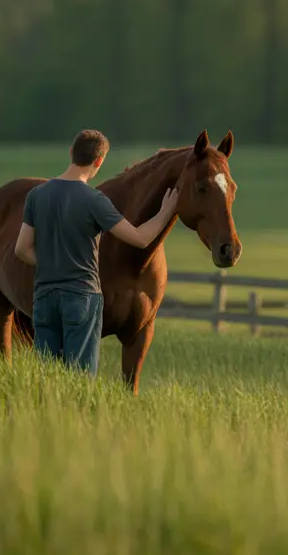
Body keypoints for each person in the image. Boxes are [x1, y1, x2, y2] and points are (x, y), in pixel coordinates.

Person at [14, 129, 178, 377]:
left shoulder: (37, 195)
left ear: (71, 152)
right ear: (99, 161)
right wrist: (166, 212)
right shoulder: (95, 201)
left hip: (44, 297)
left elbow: (21, 249)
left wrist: (50, 265)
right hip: (81, 296)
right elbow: (140, 238)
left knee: (46, 375)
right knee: (79, 378)